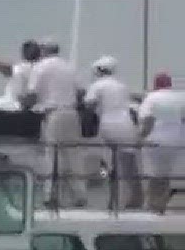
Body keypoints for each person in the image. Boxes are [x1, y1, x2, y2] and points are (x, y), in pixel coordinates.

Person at [26, 38, 83, 208]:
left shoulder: (40, 67)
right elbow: (80, 91)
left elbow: (32, 94)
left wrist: (24, 105)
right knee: (73, 157)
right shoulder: (69, 67)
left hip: (54, 114)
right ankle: (80, 195)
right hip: (72, 113)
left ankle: (50, 195)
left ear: (43, 50)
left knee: (52, 156)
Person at [85, 56, 140, 208]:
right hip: (127, 125)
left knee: (110, 165)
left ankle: (114, 201)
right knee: (128, 166)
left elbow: (89, 104)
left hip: (108, 124)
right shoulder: (121, 85)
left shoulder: (98, 85)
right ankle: (132, 200)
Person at [139, 72, 185, 212]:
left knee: (154, 175)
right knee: (165, 175)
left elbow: (148, 120)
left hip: (155, 141)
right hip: (176, 142)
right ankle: (161, 205)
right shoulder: (179, 98)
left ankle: (151, 205)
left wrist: (139, 137)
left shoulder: (151, 98)